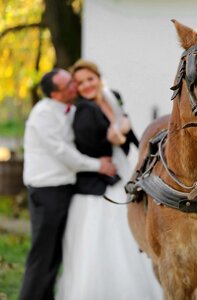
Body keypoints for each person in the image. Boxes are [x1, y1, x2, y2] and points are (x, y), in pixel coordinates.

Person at [55, 59, 163, 300]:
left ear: (98, 77)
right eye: (80, 83)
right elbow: (87, 145)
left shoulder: (111, 96)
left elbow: (128, 132)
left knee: (128, 236)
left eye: (89, 79)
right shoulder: (83, 109)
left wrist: (137, 144)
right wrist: (114, 137)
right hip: (96, 188)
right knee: (101, 242)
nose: (86, 86)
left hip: (121, 175)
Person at [20, 69, 117, 300]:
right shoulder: (43, 114)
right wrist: (98, 166)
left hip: (63, 189)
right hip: (47, 191)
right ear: (55, 94)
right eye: (69, 86)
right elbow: (63, 152)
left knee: (54, 255)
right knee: (42, 255)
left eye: (72, 82)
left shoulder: (70, 109)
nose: (75, 87)